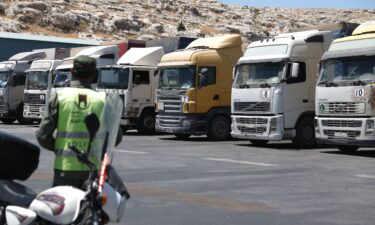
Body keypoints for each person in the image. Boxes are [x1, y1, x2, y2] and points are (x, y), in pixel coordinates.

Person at [36, 55, 121, 189]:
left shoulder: (59, 97)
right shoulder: (103, 100)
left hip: (65, 168)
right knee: (91, 208)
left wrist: (59, 148)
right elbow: (116, 136)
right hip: (93, 170)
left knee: (64, 208)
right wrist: (98, 149)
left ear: (72, 72)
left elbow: (42, 135)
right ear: (94, 75)